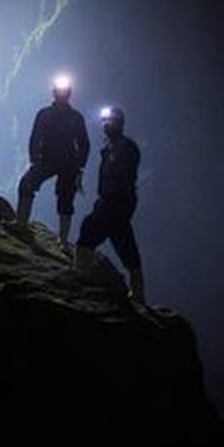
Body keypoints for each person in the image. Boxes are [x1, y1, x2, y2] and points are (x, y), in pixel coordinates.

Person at [75, 105, 145, 303]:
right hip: (110, 201)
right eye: (104, 120)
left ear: (120, 123)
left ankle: (84, 276)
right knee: (124, 242)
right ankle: (137, 292)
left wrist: (110, 200)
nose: (106, 123)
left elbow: (125, 177)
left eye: (110, 120)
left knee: (89, 232)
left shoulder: (127, 147)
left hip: (117, 202)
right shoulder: (107, 149)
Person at [16, 74, 90, 246]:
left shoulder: (74, 117)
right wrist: (34, 159)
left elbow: (84, 143)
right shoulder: (47, 114)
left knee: (65, 199)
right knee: (26, 183)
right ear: (55, 92)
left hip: (66, 163)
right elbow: (35, 137)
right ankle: (21, 224)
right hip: (48, 160)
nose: (62, 93)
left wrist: (79, 166)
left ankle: (62, 241)